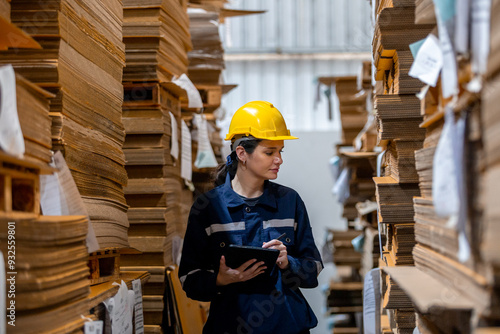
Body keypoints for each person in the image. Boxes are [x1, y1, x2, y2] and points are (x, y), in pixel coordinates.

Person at [178, 101, 323, 334]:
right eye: (269, 152)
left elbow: (313, 268)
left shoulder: (290, 201)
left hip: (286, 326)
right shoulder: (208, 208)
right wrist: (221, 279)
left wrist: (288, 262)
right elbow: (189, 278)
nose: (279, 159)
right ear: (242, 153)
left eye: (280, 151)